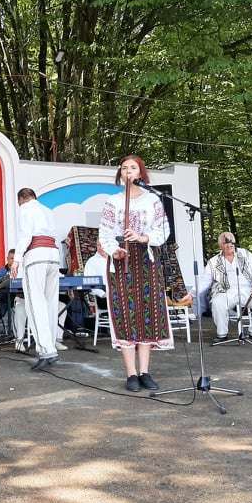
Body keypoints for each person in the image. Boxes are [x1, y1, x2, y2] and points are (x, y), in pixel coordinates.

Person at [100, 155, 173, 392]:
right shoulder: (113, 201)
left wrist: (143, 237)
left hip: (146, 259)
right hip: (121, 261)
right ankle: (131, 374)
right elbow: (105, 233)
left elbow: (163, 230)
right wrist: (115, 250)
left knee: (147, 313)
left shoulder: (153, 200)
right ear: (120, 174)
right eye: (124, 168)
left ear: (141, 172)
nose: (128, 171)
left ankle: (145, 372)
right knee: (126, 314)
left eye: (133, 167)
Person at [182, 231, 252, 345]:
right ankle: (222, 334)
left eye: (231, 242)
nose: (229, 245)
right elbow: (204, 281)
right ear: (220, 245)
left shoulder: (246, 254)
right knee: (217, 303)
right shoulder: (213, 262)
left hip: (249, 290)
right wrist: (191, 294)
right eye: (226, 243)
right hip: (225, 291)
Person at [10, 188, 60, 370]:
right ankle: (51, 345)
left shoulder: (26, 208)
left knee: (35, 303)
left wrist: (16, 260)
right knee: (50, 303)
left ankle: (46, 350)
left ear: (22, 199)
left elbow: (25, 234)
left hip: (36, 256)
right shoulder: (47, 210)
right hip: (53, 256)